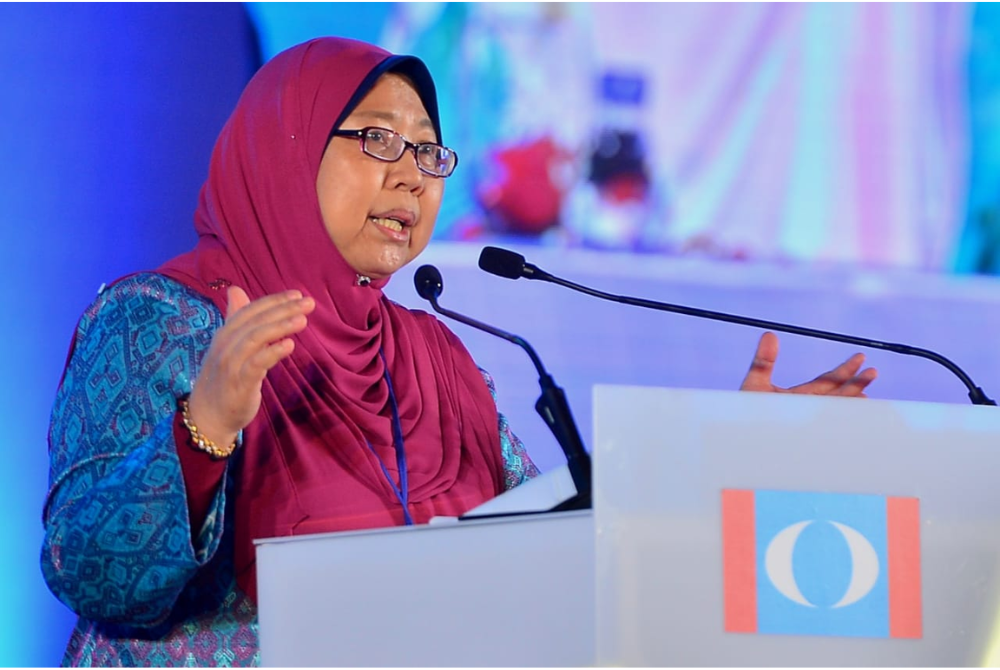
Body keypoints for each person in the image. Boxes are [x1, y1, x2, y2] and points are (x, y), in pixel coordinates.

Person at [40, 37, 876, 668]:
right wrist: (207, 427)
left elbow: (544, 540)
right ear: (285, 148)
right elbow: (90, 572)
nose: (412, 176)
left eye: (429, 152)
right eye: (378, 140)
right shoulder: (159, 319)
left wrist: (721, 456)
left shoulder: (429, 353)